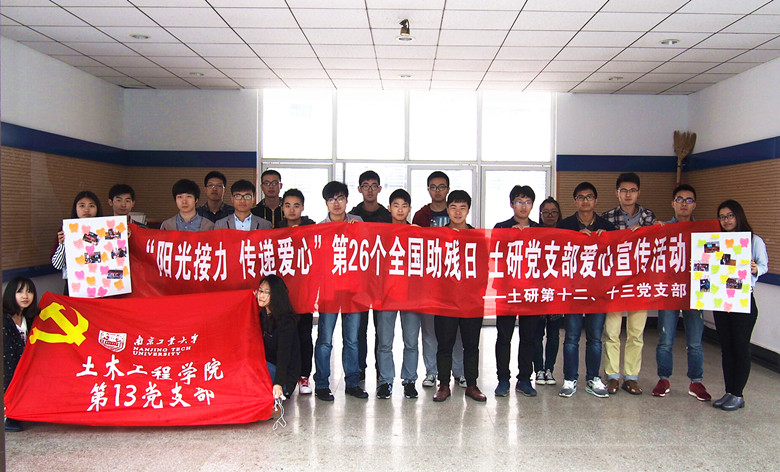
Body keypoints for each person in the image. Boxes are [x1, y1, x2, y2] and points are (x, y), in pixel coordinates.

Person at [600, 172, 657, 395]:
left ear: (638, 193)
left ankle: (631, 377)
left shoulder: (649, 217)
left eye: (632, 190)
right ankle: (612, 376)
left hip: (640, 283)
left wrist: (655, 231)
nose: (628, 194)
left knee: (636, 333)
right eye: (623, 190)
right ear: (617, 193)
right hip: (615, 283)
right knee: (612, 332)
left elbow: (657, 246)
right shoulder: (607, 217)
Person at [653, 185, 711, 401]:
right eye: (680, 199)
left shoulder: (705, 231)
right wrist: (653, 231)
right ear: (673, 203)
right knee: (665, 339)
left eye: (689, 200)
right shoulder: (662, 228)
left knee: (694, 341)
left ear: (694, 205)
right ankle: (663, 379)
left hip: (694, 293)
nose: (684, 204)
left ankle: (696, 381)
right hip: (668, 291)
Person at [557, 182, 614, 399]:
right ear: (575, 201)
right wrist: (574, 239)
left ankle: (593, 378)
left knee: (595, 338)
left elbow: (617, 256)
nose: (585, 201)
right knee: (571, 336)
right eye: (581, 197)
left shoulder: (607, 227)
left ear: (596, 201)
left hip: (597, 291)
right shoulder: (565, 226)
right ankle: (570, 378)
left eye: (589, 197)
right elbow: (556, 256)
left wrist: (606, 240)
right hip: (573, 290)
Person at [411, 171, 466, 389]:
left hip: (454, 285)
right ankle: (432, 372)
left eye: (441, 187)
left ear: (448, 189)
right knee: (429, 331)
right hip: (428, 283)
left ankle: (459, 372)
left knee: (456, 332)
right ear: (428, 190)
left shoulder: (456, 214)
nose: (437, 191)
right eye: (433, 187)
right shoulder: (420, 216)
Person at [712, 200, 768, 411]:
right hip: (722, 302)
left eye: (730, 216)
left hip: (743, 302)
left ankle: (738, 394)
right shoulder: (717, 241)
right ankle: (729, 391)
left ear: (738, 216)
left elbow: (763, 265)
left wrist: (755, 269)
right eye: (722, 217)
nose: (726, 220)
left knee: (740, 348)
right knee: (726, 349)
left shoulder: (753, 240)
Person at [313, 181, 367, 401]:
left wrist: (358, 231)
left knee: (352, 340)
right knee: (325, 340)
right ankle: (321, 384)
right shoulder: (319, 229)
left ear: (347, 200)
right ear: (326, 203)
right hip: (329, 291)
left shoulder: (358, 222)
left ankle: (352, 383)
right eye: (331, 200)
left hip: (353, 291)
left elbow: (368, 251)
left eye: (340, 198)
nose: (336, 204)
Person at [433, 190, 487, 403]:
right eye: (454, 207)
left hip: (471, 301)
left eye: (462, 208)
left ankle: (471, 384)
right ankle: (444, 385)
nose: (458, 212)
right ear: (447, 210)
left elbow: (484, 268)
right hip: (445, 301)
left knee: (471, 345)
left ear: (468, 210)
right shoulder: (438, 236)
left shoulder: (477, 237)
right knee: (444, 345)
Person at [374, 189, 426, 399]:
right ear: (389, 208)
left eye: (404, 206)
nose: (400, 210)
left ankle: (409, 381)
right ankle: (385, 381)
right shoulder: (381, 233)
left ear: (410, 209)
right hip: (386, 295)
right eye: (396, 205)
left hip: (411, 295)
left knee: (411, 341)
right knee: (385, 342)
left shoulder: (417, 233)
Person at [493, 185, 541, 397]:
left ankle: (524, 379)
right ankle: (503, 379)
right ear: (511, 204)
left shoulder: (540, 230)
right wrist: (508, 238)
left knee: (529, 337)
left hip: (531, 291)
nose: (524, 206)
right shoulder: (501, 227)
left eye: (528, 202)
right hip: (506, 290)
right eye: (519, 202)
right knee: (504, 336)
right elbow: (492, 254)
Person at [348, 170, 391, 381]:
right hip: (359, 281)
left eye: (374, 186)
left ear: (380, 189)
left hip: (382, 281)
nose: (370, 190)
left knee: (382, 330)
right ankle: (360, 369)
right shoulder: (352, 216)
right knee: (359, 329)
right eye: (366, 186)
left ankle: (381, 370)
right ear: (359, 189)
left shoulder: (388, 216)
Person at [279, 188, 315, 395]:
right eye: (287, 205)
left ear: (303, 207)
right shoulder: (275, 230)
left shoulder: (312, 228)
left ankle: (304, 376)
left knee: (304, 336)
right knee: (284, 336)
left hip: (303, 292)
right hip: (282, 295)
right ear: (282, 208)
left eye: (296, 205)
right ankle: (282, 376)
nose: (292, 210)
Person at [533, 197, 563, 386]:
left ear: (559, 214)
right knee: (536, 333)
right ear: (541, 214)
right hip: (537, 290)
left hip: (557, 290)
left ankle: (549, 369)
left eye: (553, 212)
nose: (550, 215)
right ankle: (538, 369)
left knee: (554, 333)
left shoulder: (566, 233)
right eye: (546, 212)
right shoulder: (534, 232)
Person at [256, 274, 301, 400]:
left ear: (276, 295)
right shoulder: (262, 315)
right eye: (260, 291)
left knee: (250, 365)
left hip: (283, 379)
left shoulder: (286, 322)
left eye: (266, 292)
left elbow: (283, 355)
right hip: (269, 367)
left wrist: (279, 383)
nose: (261, 295)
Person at [3, 277, 39, 432]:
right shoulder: (4, 320)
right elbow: (7, 355)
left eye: (29, 292)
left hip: (22, 365)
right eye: (20, 292)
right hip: (8, 368)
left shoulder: (29, 318)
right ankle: (8, 415)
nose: (25, 296)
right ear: (11, 294)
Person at [52, 190, 103, 295]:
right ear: (75, 208)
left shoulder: (105, 230)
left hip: (101, 286)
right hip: (74, 288)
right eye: (82, 205)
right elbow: (57, 265)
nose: (86, 209)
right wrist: (62, 244)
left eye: (91, 206)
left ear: (97, 208)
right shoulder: (66, 231)